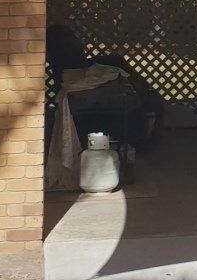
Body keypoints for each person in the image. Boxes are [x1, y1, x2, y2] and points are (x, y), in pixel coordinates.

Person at [45, 26, 165, 191]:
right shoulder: (65, 56)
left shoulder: (64, 56)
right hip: (85, 75)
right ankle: (147, 105)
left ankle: (147, 101)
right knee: (118, 64)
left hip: (85, 73)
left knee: (118, 64)